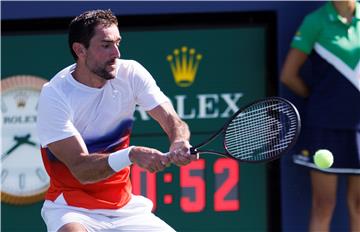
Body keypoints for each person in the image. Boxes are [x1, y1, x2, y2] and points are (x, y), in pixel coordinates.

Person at [36, 9, 197, 232]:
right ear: (80, 50)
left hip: (125, 207)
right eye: (106, 45)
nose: (117, 53)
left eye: (117, 43)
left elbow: (172, 119)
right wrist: (131, 154)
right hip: (71, 207)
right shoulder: (55, 94)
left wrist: (179, 140)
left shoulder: (131, 73)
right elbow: (82, 170)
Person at [280, 0, 360, 231]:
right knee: (323, 204)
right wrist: (321, 101)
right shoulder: (315, 22)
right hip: (324, 126)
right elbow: (289, 75)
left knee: (358, 205)